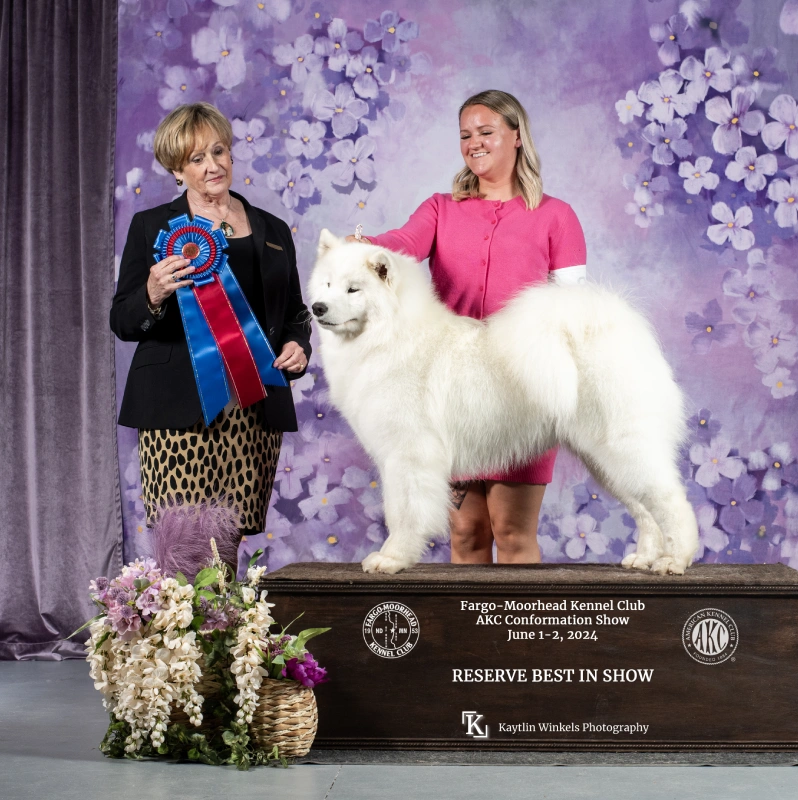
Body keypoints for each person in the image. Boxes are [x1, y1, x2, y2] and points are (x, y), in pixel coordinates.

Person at [353, 89, 587, 565]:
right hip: (452, 392)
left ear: (516, 136)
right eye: (465, 134)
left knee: (512, 530)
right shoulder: (441, 207)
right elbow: (402, 243)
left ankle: (522, 639)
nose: (474, 142)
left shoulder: (557, 216)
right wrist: (365, 245)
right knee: (465, 533)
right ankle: (475, 641)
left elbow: (574, 308)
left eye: (486, 132)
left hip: (521, 392)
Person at [110, 102, 311, 568]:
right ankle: (185, 638)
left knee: (228, 542)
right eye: (197, 158)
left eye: (218, 151)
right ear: (177, 170)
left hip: (251, 405)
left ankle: (221, 634)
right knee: (184, 543)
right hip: (176, 408)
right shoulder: (152, 227)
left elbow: (296, 312)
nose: (213, 165)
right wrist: (153, 293)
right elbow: (122, 320)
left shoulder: (273, 229)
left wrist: (297, 345)